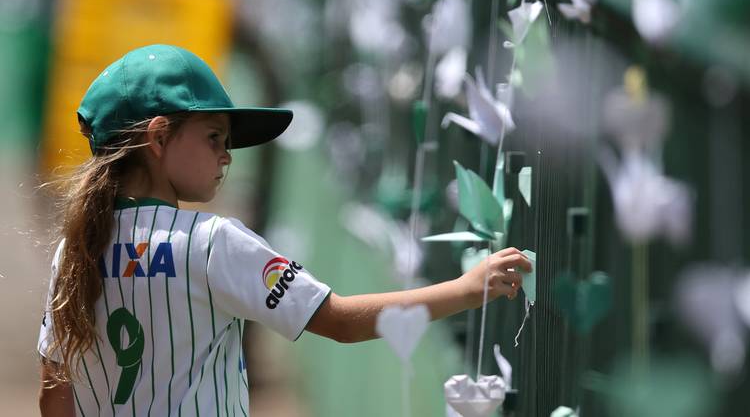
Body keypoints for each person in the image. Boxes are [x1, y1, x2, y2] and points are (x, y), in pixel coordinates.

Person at [37, 44, 531, 416]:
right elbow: (338, 321)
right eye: (214, 137)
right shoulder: (213, 243)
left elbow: (54, 389)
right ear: (159, 137)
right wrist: (465, 290)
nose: (226, 155)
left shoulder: (77, 249)